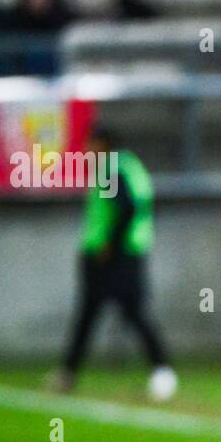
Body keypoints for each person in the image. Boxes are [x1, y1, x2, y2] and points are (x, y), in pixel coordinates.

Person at [54, 127, 176, 400]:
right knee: (92, 312)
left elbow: (127, 207)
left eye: (91, 145)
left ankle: (162, 370)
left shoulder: (111, 167)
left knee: (129, 312)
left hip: (114, 256)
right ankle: (68, 371)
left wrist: (110, 243)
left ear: (104, 144)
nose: (87, 151)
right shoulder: (129, 165)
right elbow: (145, 206)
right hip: (124, 251)